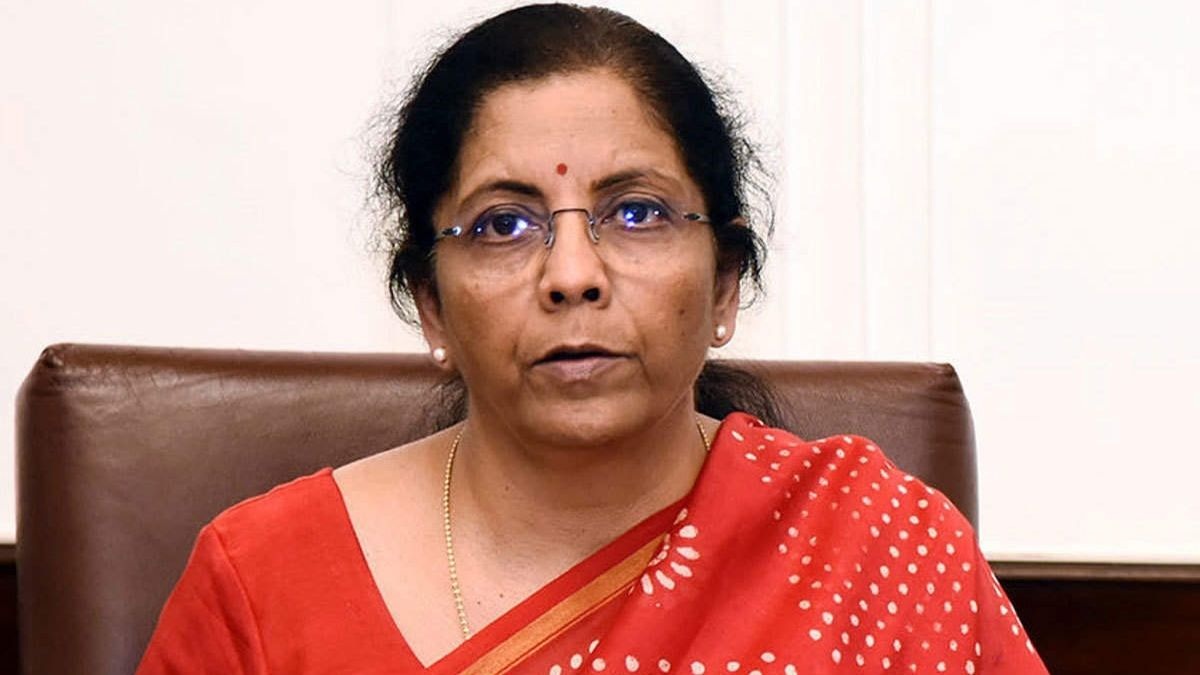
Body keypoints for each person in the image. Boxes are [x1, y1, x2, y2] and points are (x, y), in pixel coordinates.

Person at [137, 4, 1048, 673]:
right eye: (504, 224)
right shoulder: (265, 580)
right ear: (430, 303)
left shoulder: (879, 547)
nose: (573, 273)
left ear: (725, 282)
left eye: (637, 212)